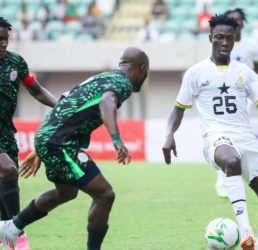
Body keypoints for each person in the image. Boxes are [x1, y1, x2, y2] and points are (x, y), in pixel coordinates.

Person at [162, 14, 258, 250]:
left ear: (235, 39)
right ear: (210, 38)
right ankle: (246, 234)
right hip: (216, 138)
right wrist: (169, 134)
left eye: (229, 38)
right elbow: (178, 110)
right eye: (219, 38)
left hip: (246, 138)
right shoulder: (195, 73)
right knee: (231, 160)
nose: (225, 43)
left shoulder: (244, 71)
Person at [0, 46, 149, 250]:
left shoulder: (103, 78)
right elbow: (107, 102)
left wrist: (41, 146)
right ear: (141, 68)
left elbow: (64, 102)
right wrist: (116, 139)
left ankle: (12, 226)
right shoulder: (122, 83)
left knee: (66, 193)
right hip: (59, 144)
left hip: (52, 139)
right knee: (105, 195)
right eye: (145, 74)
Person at [0, 17, 58, 249]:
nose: (3, 44)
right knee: (9, 170)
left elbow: (36, 90)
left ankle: (8, 234)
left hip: (5, 133)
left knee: (5, 185)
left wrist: (61, 107)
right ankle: (17, 233)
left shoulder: (16, 63)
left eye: (5, 39)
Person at [214, 8, 258, 198]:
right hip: (225, 95)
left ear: (243, 22)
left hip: (245, 95)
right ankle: (222, 179)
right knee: (226, 136)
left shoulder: (252, 44)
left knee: (239, 136)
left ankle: (234, 175)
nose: (237, 22)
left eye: (239, 19)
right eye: (232, 19)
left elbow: (257, 71)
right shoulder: (222, 43)